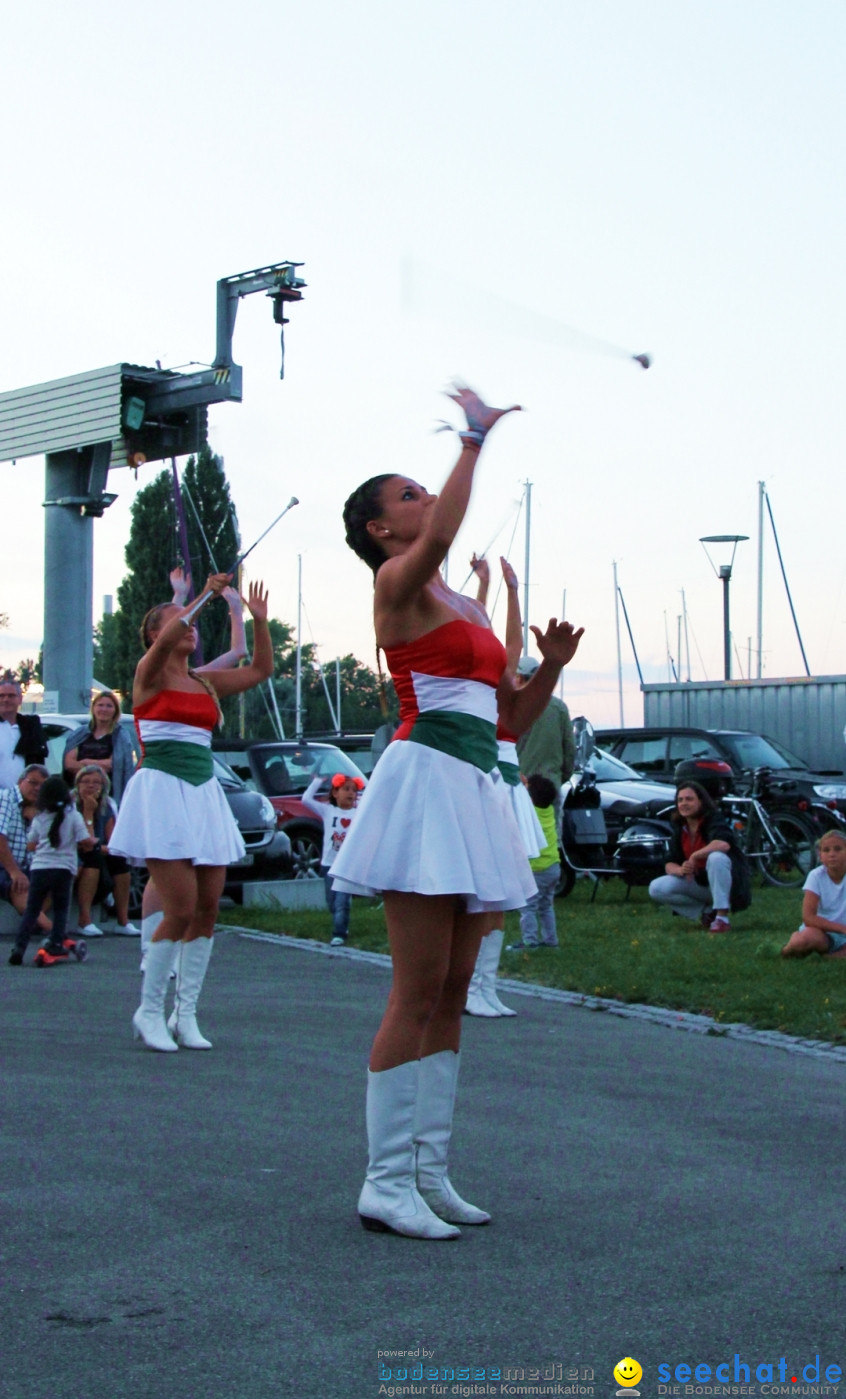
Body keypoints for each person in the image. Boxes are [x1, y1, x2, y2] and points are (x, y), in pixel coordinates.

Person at [333, 384, 583, 1240]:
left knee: (449, 989)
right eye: (407, 494)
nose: (424, 499)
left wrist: (547, 667)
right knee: (414, 988)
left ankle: (428, 1171)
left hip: (476, 785)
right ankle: (383, 1181)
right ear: (381, 530)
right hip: (426, 783)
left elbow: (511, 718)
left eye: (422, 485)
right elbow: (444, 531)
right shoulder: (399, 584)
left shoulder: (471, 607)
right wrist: (475, 440)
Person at [109, 573, 273, 1052]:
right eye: (178, 624)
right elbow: (170, 633)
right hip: (163, 790)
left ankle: (187, 1014)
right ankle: (149, 1009)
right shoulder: (149, 673)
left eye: (193, 624)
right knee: (178, 907)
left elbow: (259, 670)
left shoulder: (203, 681)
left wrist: (256, 620)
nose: (190, 629)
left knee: (205, 909)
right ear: (156, 635)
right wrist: (201, 596)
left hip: (203, 795)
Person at [464, 553, 543, 1017]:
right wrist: (489, 587)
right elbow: (481, 632)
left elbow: (505, 644)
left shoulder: (507, 688)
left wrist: (511, 590)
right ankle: (472, 986)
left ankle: (485, 985)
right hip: (488, 780)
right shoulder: (482, 688)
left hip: (509, 783)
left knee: (503, 893)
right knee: (487, 891)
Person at [8, 776, 93, 966]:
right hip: (64, 869)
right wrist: (90, 821)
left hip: (39, 868)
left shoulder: (40, 816)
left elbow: (30, 845)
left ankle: (19, 948)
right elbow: (85, 841)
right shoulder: (73, 815)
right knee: (61, 909)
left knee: (32, 910)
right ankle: (55, 945)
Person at [649, 782, 751, 932]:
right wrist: (681, 869)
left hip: (728, 887)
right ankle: (708, 912)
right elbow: (669, 862)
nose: (684, 803)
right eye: (680, 800)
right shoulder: (680, 826)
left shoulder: (713, 819)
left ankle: (722, 918)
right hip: (701, 883)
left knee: (716, 858)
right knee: (656, 888)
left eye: (689, 799)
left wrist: (696, 855)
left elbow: (723, 844)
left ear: (701, 801)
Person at [514, 655, 575, 839]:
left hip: (517, 786)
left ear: (520, 678)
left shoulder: (511, 707)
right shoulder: (559, 708)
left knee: (519, 843)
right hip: (550, 788)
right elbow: (570, 752)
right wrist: (557, 779)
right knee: (550, 840)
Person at [302, 771, 365, 945]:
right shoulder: (328, 811)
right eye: (346, 789)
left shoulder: (358, 813)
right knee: (331, 901)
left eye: (354, 790)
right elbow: (306, 800)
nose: (351, 793)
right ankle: (342, 917)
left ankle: (339, 933)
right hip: (328, 864)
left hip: (347, 865)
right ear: (335, 793)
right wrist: (316, 782)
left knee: (340, 903)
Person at [72, 765, 137, 936]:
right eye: (86, 782)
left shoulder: (107, 804)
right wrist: (88, 812)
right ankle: (84, 920)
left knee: (120, 859)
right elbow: (85, 842)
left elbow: (113, 841)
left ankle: (123, 920)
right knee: (92, 856)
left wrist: (102, 847)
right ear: (77, 785)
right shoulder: (70, 804)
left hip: (97, 849)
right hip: (74, 851)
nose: (91, 786)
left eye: (96, 783)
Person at [507, 775, 561, 949]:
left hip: (535, 870)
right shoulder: (548, 811)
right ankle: (551, 941)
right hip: (553, 867)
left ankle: (529, 941)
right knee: (546, 906)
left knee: (528, 907)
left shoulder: (529, 814)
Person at [0, 764, 52, 933]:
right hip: (4, 865)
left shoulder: (43, 807)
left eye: (42, 786)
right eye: (33, 783)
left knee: (63, 872)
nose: (37, 789)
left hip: (27, 865)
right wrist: (15, 872)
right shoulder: (5, 798)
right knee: (19, 884)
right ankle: (56, 933)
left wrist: (37, 819)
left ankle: (33, 923)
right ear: (20, 781)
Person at [62, 690, 137, 805]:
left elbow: (114, 764)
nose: (104, 709)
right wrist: (99, 766)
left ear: (115, 710)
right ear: (93, 708)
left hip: (110, 796)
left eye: (109, 706)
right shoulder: (79, 734)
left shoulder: (121, 736)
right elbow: (69, 764)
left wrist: (86, 762)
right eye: (100, 705)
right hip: (78, 797)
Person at [781, 830, 846, 959]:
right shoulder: (816, 876)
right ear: (820, 856)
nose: (832, 854)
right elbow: (808, 917)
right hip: (822, 932)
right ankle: (787, 949)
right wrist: (842, 929)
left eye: (838, 849)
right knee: (804, 940)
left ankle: (827, 957)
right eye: (826, 850)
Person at [0, 676, 47, 790]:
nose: (6, 700)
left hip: (27, 798)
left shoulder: (31, 727)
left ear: (20, 699)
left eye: (11, 696)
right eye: (1, 696)